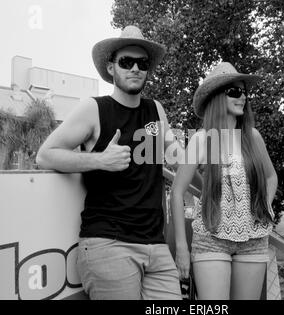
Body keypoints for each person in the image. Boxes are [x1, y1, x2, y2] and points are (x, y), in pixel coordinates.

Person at [36, 25, 188, 300]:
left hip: (156, 245)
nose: (135, 69)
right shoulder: (93, 109)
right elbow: (45, 154)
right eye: (126, 62)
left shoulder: (156, 110)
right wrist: (100, 159)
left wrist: (201, 150)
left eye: (142, 63)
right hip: (110, 243)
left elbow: (175, 153)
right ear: (110, 68)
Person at [170, 62, 278, 300]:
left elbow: (271, 177)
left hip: (254, 239)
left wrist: (265, 206)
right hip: (211, 239)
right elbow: (177, 193)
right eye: (235, 92)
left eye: (244, 92)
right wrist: (181, 248)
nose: (243, 98)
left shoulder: (254, 137)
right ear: (219, 96)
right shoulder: (201, 139)